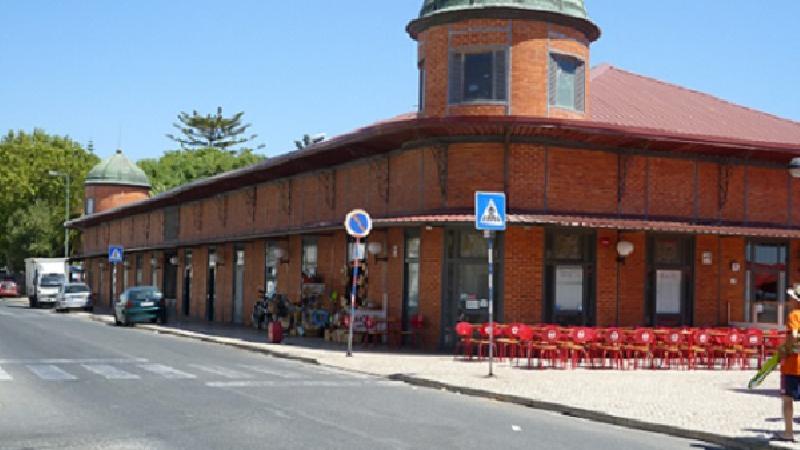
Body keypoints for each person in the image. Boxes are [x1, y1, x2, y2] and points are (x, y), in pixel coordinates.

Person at [777, 287, 800, 442]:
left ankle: (788, 432)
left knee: (787, 399)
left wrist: (786, 349)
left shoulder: (794, 315)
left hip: (794, 364)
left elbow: (794, 336)